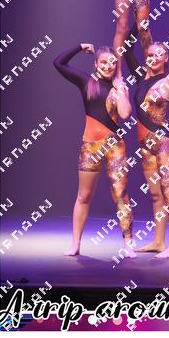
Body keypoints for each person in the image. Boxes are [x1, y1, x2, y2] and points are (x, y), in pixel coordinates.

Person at [53, 43, 134, 257]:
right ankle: (75, 244)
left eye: (112, 62)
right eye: (104, 62)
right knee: (83, 195)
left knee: (121, 195)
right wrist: (79, 47)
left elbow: (125, 114)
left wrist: (120, 90)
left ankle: (128, 245)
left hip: (114, 146)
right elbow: (58, 63)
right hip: (90, 146)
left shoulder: (118, 88)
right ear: (96, 64)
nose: (108, 66)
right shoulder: (86, 81)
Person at [122, 11, 169, 258]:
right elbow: (127, 51)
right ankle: (159, 241)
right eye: (149, 55)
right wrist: (138, 23)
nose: (152, 58)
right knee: (154, 194)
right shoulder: (141, 79)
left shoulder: (168, 80)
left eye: (158, 55)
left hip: (164, 143)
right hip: (144, 144)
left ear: (165, 58)